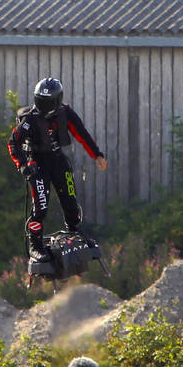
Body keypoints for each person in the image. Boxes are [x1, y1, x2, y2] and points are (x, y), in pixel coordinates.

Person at [7, 77, 108, 262]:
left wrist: (97, 155)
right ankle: (35, 246)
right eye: (41, 101)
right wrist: (23, 165)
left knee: (70, 199)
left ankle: (75, 232)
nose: (44, 106)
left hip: (58, 161)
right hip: (36, 165)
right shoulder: (29, 119)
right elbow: (14, 143)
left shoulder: (65, 113)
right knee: (40, 207)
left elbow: (81, 133)